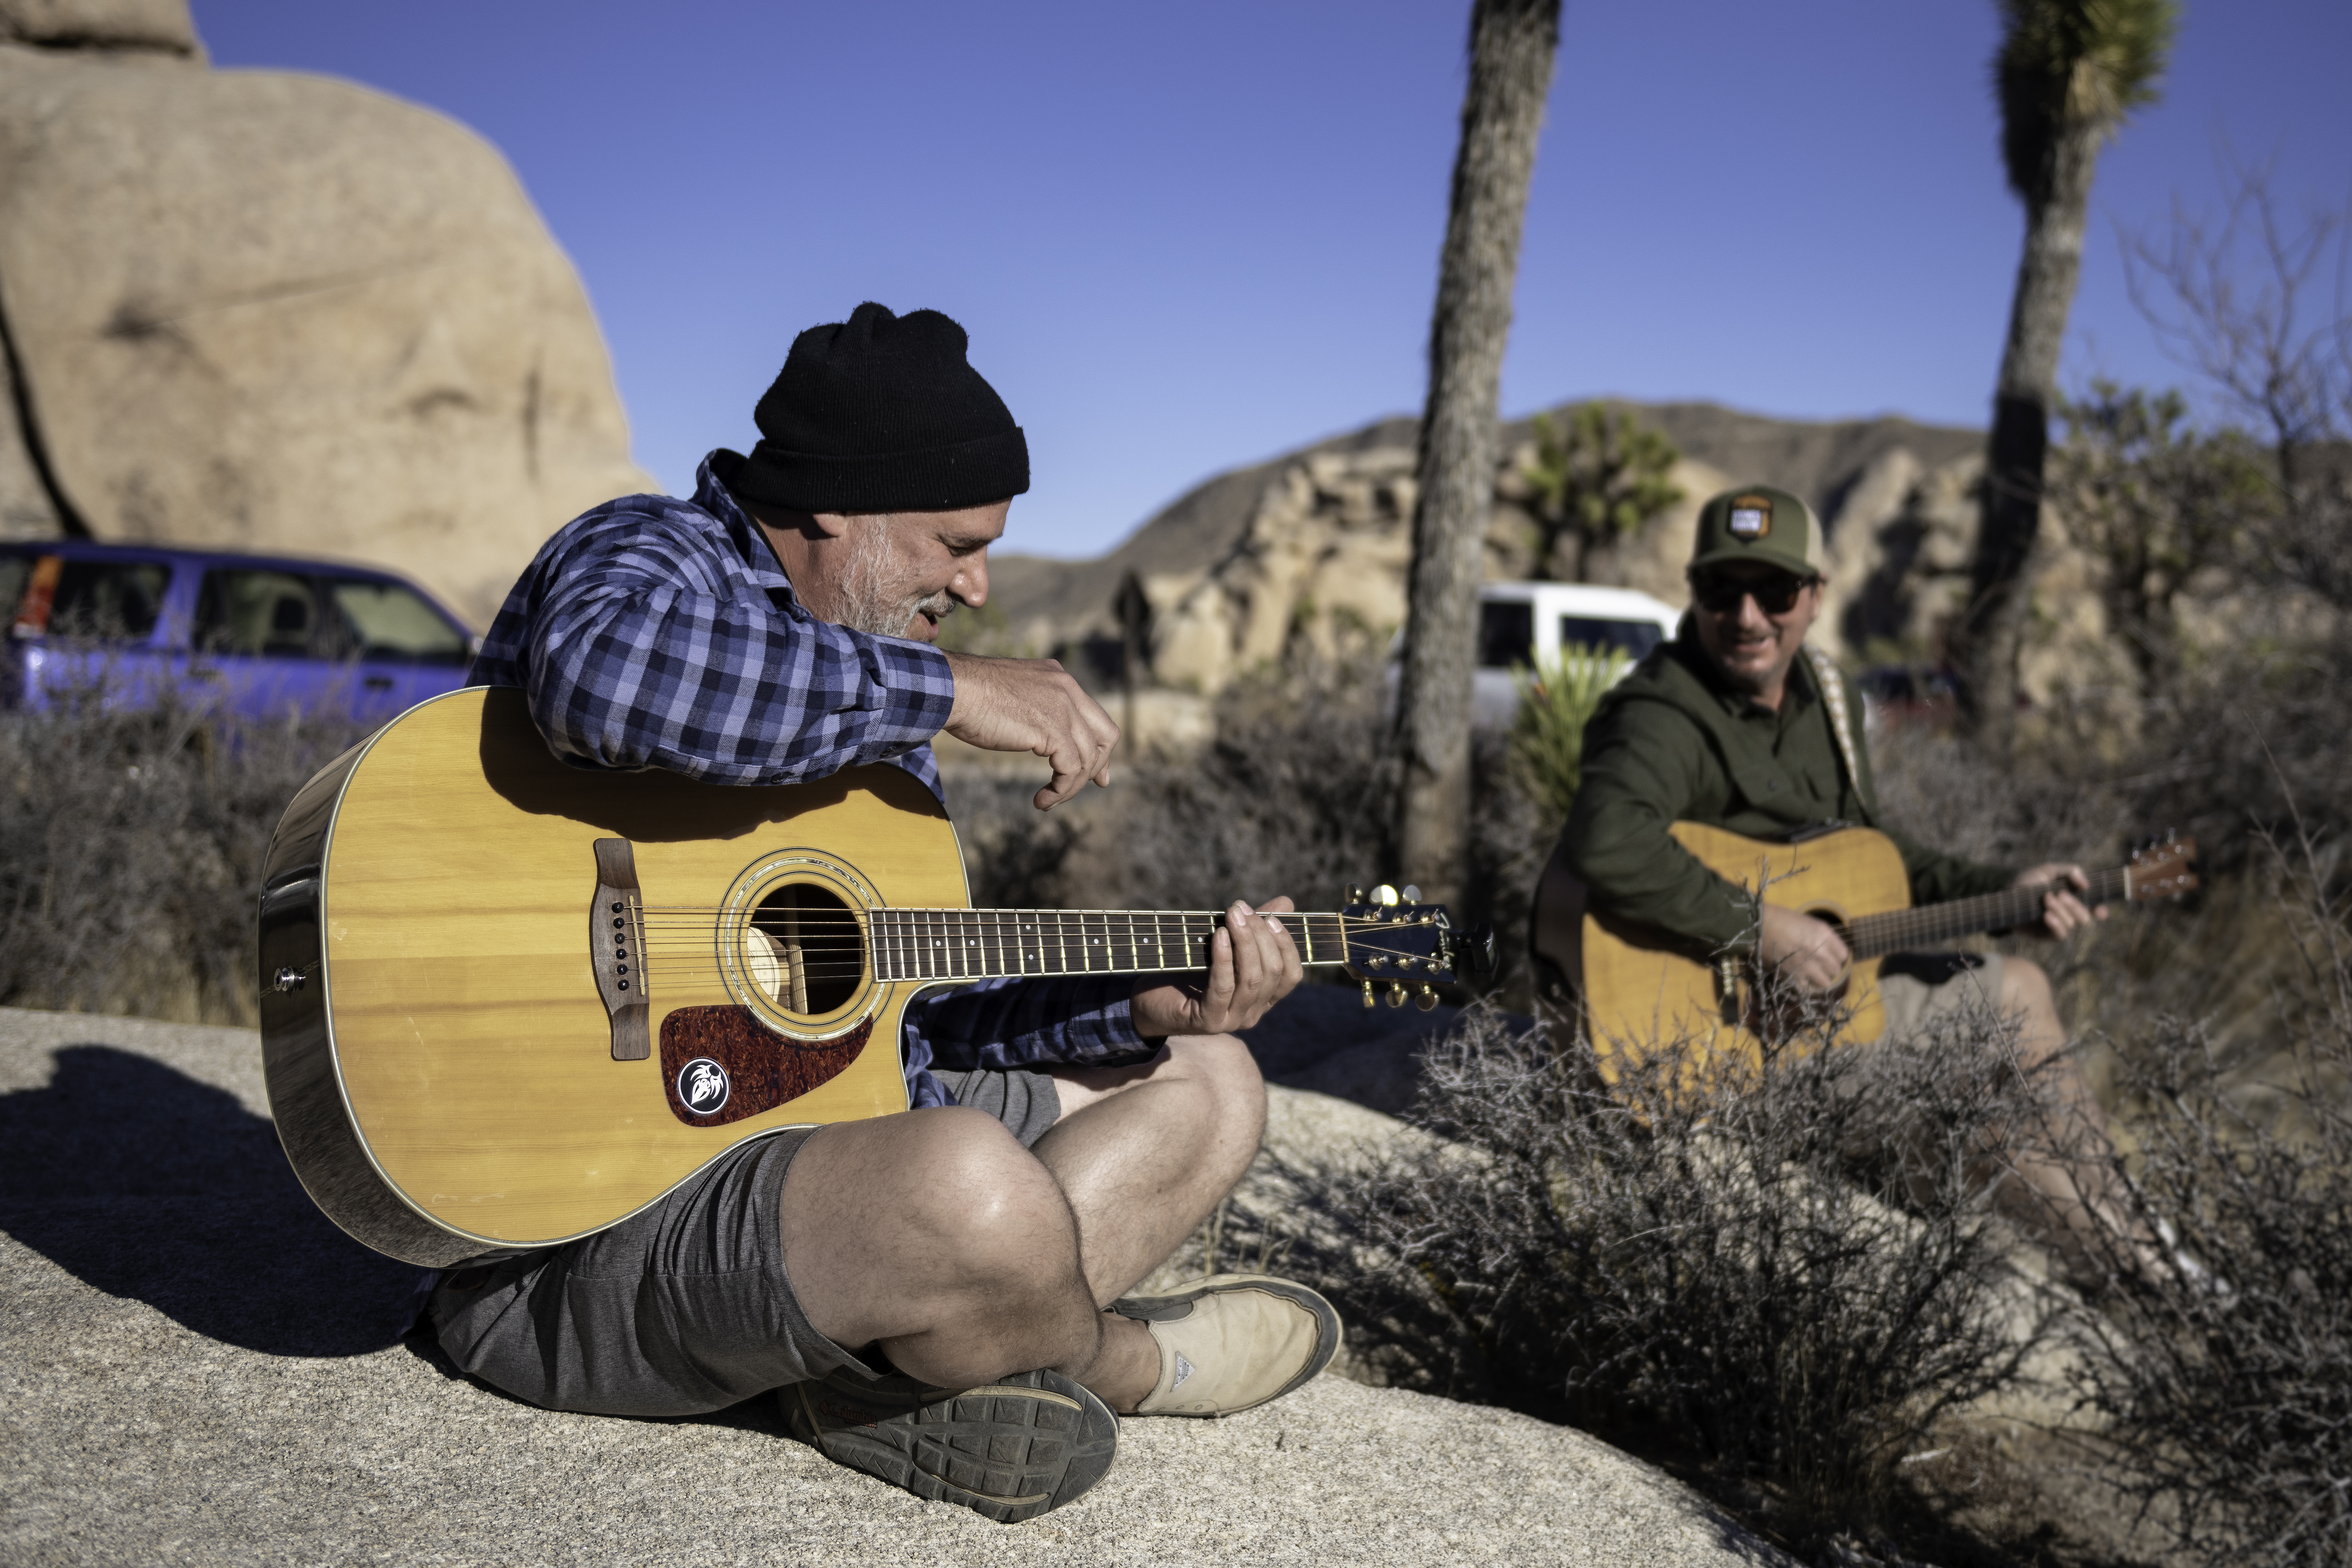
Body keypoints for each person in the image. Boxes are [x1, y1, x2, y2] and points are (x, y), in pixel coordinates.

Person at [424, 302, 1338, 1523]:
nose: (977, 583)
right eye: (955, 542)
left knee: (1211, 1081)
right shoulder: (655, 555)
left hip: (812, 1154)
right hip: (577, 1240)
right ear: (833, 507)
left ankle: (884, 1371)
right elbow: (605, 671)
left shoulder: (865, 668)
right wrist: (947, 688)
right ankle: (1120, 1361)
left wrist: (1140, 1004)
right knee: (965, 1183)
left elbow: (909, 1020)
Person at [1536, 483, 2138, 1278]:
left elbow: (1868, 860)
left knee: (2020, 982)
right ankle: (2138, 1280)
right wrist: (1762, 928)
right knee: (1980, 1106)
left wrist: (2008, 890)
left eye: (1774, 589)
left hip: (1815, 1014)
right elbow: (1606, 841)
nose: (1747, 615)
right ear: (1697, 593)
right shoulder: (1661, 711)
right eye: (1723, 589)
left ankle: (2137, 1239)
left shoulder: (1826, 698)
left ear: (1815, 596)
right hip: (1723, 1045)